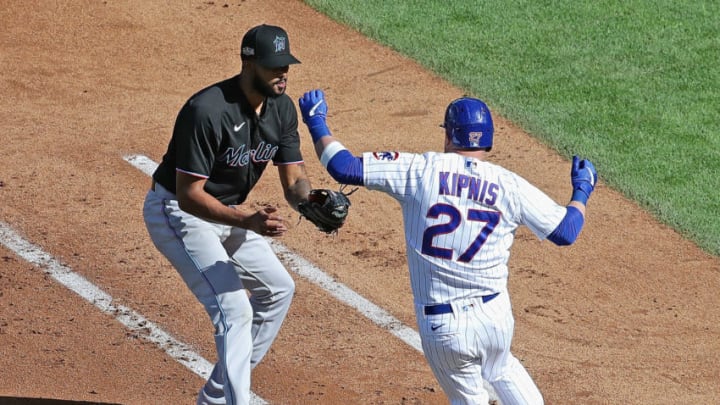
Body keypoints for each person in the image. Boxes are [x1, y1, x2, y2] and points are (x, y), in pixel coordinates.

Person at [297, 89, 597, 405]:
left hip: (444, 328)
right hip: (495, 318)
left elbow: (344, 168)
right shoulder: (509, 185)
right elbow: (565, 231)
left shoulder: (420, 169)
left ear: (450, 135)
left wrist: (316, 121)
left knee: (471, 398)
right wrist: (582, 190)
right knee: (502, 367)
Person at [143, 24, 313, 405]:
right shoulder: (206, 110)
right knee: (234, 308)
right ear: (248, 63)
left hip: (229, 214)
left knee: (278, 290)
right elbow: (189, 197)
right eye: (273, 66)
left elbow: (294, 182)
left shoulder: (282, 110)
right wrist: (247, 221)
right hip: (176, 210)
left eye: (285, 65)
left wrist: (311, 201)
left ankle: (218, 396)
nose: (282, 74)